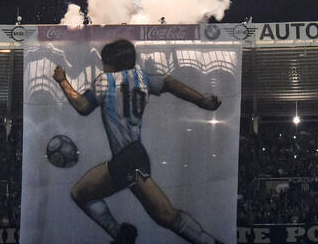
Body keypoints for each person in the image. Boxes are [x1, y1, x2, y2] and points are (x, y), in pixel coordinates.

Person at [52, 39, 225, 244]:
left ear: (112, 63)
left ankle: (122, 236)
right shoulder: (142, 78)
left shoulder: (106, 80)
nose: (103, 67)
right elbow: (169, 83)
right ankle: (122, 236)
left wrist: (62, 81)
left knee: (166, 216)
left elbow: (82, 106)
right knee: (164, 216)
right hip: (132, 154)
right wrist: (201, 100)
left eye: (104, 62)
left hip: (127, 158)